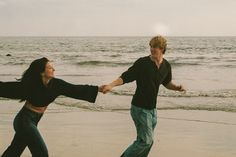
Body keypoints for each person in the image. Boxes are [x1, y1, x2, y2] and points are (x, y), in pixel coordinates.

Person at [0, 57, 103, 157]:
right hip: (24, 121)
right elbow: (5, 88)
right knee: (41, 153)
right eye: (50, 68)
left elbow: (74, 89)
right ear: (41, 72)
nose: (54, 69)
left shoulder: (57, 85)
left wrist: (98, 89)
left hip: (34, 120)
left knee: (14, 151)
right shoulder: (29, 86)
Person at [102, 36, 186, 157]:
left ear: (162, 48)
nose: (152, 49)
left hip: (152, 110)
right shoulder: (142, 63)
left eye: (155, 47)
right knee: (145, 142)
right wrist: (111, 85)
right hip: (140, 108)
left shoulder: (166, 66)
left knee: (148, 141)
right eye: (151, 46)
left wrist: (177, 88)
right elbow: (126, 77)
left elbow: (167, 83)